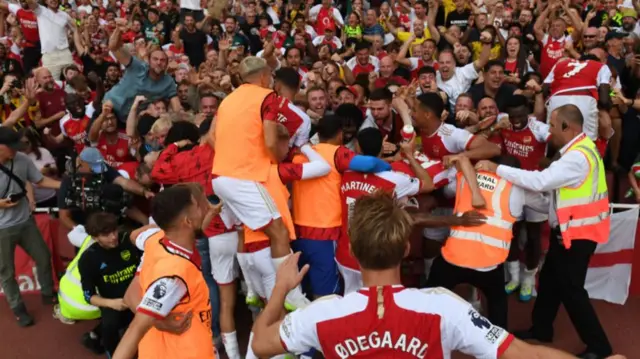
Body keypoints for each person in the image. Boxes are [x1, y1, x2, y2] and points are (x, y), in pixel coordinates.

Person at [250, 191, 596, 359]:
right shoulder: (445, 308)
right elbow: (525, 354)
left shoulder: (323, 312)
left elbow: (261, 344)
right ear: (405, 250)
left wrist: (280, 289)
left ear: (353, 251)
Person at [476, 104, 613, 358]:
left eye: (552, 125)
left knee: (573, 292)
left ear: (566, 127)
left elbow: (540, 182)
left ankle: (600, 348)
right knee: (550, 280)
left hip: (577, 234)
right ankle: (541, 328)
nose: (549, 131)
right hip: (574, 229)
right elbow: (556, 196)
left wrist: (497, 170)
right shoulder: (582, 149)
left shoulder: (576, 157)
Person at [211, 56, 297, 300]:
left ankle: (253, 288)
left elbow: (211, 137)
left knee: (247, 231)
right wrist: (277, 158)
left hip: (222, 176)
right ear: (263, 76)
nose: (271, 81)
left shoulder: (227, 100)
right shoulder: (266, 96)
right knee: (279, 232)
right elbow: (271, 141)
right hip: (244, 176)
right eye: (270, 76)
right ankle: (290, 293)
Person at [113, 185, 219, 359]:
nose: (206, 207)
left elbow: (135, 237)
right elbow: (136, 328)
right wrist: (159, 322)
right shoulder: (173, 278)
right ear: (187, 221)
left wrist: (211, 214)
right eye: (200, 206)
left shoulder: (155, 239)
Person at [426, 155, 526, 329]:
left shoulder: (465, 178)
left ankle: (422, 327)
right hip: (488, 264)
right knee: (497, 301)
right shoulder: (516, 189)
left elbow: (447, 191)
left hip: (454, 258)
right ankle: (499, 343)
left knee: (430, 294)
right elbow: (538, 207)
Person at [0, 126, 61, 327]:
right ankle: (18, 309)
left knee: (43, 256)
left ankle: (47, 293)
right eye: (13, 147)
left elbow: (40, 180)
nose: (18, 150)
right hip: (2, 229)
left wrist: (66, 184)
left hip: (25, 221)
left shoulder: (22, 160)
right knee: (6, 272)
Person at [77, 212, 141, 357]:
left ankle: (94, 335)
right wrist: (112, 303)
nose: (113, 237)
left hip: (138, 295)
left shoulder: (128, 239)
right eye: (106, 235)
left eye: (114, 231)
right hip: (115, 302)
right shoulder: (88, 259)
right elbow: (89, 296)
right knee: (111, 324)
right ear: (95, 237)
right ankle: (110, 350)